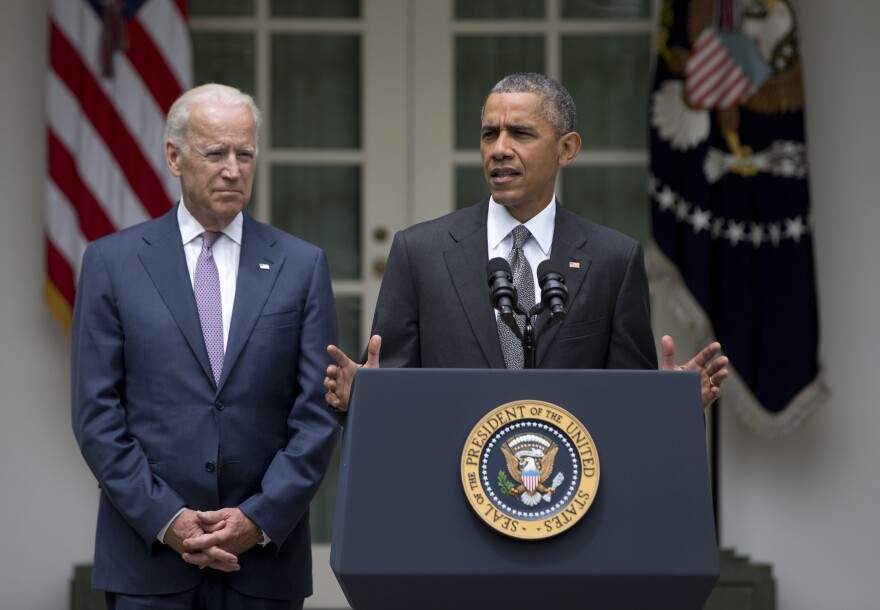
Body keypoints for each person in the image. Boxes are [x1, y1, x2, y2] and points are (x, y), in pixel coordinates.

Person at [71, 84, 339, 610]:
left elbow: (317, 414)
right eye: (215, 153)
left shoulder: (301, 266)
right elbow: (96, 415)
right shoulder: (112, 264)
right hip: (147, 561)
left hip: (263, 563)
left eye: (245, 153)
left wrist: (258, 517)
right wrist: (168, 520)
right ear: (174, 156)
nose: (233, 169)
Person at [325, 72, 728, 410]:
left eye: (520, 133)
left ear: (566, 149)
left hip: (570, 493)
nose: (500, 149)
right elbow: (388, 392)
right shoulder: (420, 252)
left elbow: (624, 404)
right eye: (489, 134)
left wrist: (670, 404)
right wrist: (357, 399)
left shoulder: (613, 260)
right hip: (448, 488)